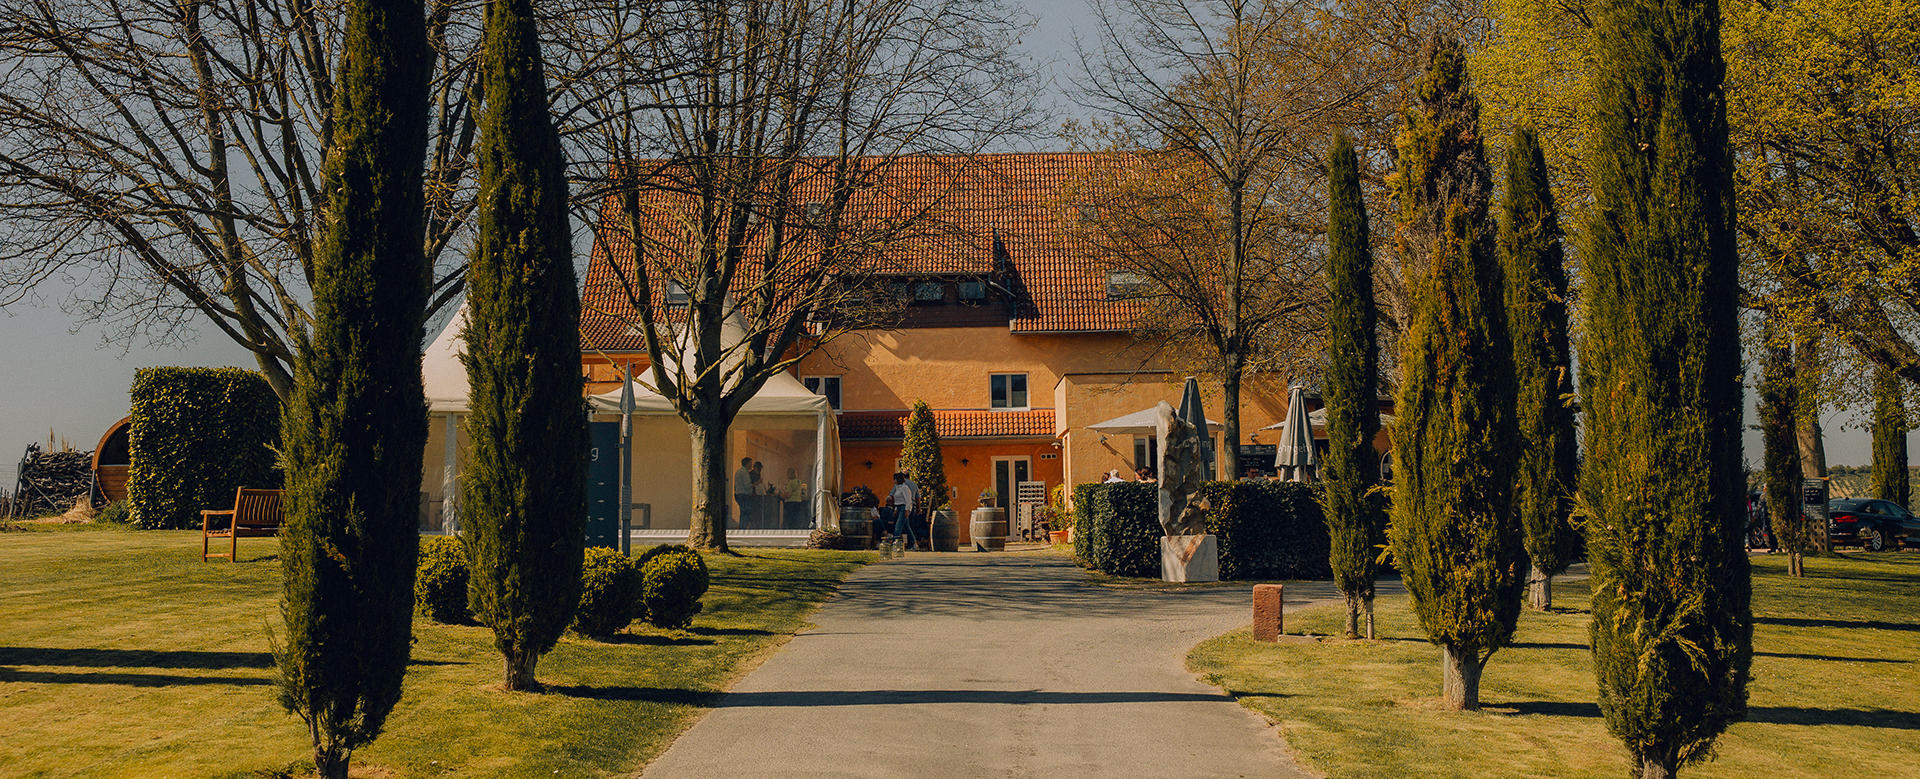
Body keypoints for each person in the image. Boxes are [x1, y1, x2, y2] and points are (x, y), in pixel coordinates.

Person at [885, 471, 917, 552]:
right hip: (899, 507)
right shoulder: (897, 488)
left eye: (894, 479)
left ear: (897, 479)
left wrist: (907, 510)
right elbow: (899, 500)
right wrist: (896, 509)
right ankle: (914, 543)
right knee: (907, 527)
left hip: (904, 508)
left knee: (898, 526)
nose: (893, 481)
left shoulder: (904, 488)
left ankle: (895, 543)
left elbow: (907, 499)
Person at [733, 456, 755, 527]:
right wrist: (757, 483)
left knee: (743, 512)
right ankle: (743, 528)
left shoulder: (738, 472)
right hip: (744, 495)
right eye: (750, 463)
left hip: (738, 495)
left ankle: (741, 528)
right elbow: (748, 485)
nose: (751, 465)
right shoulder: (745, 472)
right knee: (746, 513)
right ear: (747, 464)